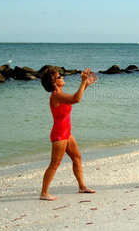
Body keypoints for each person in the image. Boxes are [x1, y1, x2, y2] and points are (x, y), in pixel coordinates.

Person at [39, 67, 98, 200]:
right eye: (59, 77)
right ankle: (44, 193)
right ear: (54, 82)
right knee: (54, 164)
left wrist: (86, 85)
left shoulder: (61, 94)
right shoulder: (56, 95)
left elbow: (74, 98)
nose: (62, 77)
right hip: (59, 135)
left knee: (77, 156)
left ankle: (82, 186)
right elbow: (76, 99)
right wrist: (83, 82)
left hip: (66, 133)